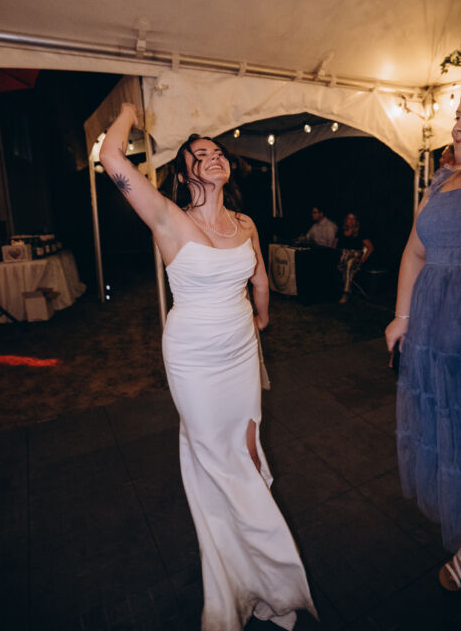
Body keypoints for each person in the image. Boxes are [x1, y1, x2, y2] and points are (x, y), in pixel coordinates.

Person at [100, 104, 318, 630]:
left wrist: (261, 320)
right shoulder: (167, 217)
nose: (215, 156)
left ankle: (256, 568)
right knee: (216, 459)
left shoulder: (245, 223)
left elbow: (260, 278)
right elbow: (110, 156)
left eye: (218, 151)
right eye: (201, 154)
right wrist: (127, 112)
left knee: (247, 451)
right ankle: (245, 573)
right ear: (183, 173)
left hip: (241, 350)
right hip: (194, 356)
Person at [385, 80, 461, 592]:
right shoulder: (441, 182)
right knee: (455, 435)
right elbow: (414, 251)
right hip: (436, 333)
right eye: (458, 115)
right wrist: (402, 316)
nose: (457, 125)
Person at [334, 213, 374, 303]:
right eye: (349, 218)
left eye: (353, 219)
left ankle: (346, 292)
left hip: (354, 257)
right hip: (342, 256)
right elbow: (334, 245)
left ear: (356, 221)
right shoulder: (341, 231)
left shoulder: (360, 233)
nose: (351, 221)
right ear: (346, 220)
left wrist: (362, 260)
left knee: (350, 264)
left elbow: (370, 247)